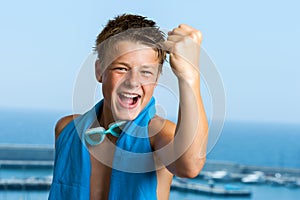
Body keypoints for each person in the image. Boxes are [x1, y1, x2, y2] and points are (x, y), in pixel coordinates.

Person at [48, 13, 208, 200]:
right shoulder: (66, 128)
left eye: (146, 72)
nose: (133, 82)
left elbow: (189, 166)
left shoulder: (158, 134)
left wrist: (189, 76)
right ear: (99, 71)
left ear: (157, 78)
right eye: (121, 68)